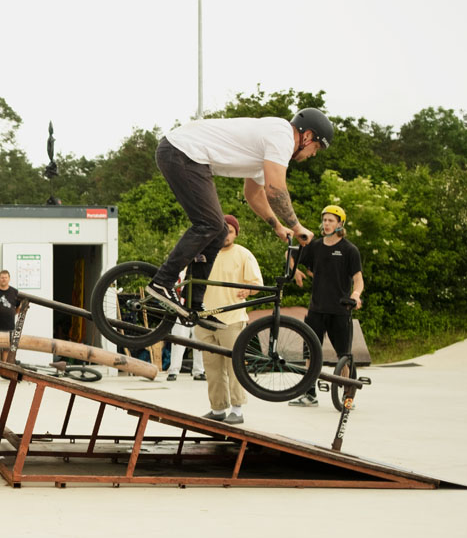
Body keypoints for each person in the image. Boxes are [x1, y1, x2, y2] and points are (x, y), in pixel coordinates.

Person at [145, 108, 333, 317]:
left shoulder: (271, 150)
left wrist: (278, 226)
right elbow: (275, 190)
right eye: (316, 147)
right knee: (211, 224)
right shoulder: (283, 137)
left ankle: (193, 302)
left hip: (187, 155)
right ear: (307, 136)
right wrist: (297, 227)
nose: (313, 154)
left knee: (219, 230)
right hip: (183, 151)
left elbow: (254, 195)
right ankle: (163, 281)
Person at [289, 204, 365, 407]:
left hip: (340, 310)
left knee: (344, 355)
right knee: (310, 352)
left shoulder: (349, 250)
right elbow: (292, 256)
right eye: (324, 220)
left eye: (331, 220)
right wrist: (295, 271)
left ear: (340, 223)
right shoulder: (315, 246)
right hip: (316, 309)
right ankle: (309, 393)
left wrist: (356, 295)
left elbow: (358, 279)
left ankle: (347, 394)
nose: (326, 223)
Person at [192, 215, 264, 425]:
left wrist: (247, 291)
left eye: (230, 231)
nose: (225, 235)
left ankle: (237, 409)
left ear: (236, 233)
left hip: (232, 318)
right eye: (222, 231)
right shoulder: (204, 254)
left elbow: (256, 283)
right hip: (205, 318)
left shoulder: (243, 254)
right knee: (212, 368)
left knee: (234, 367)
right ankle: (217, 408)